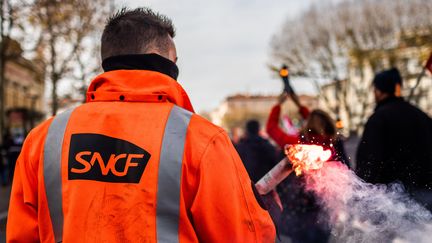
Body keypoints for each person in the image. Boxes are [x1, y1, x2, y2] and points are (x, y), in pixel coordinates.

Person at [7, 8, 276, 242]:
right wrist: (257, 209)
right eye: (175, 60)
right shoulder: (202, 140)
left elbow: (21, 235)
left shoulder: (44, 139)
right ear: (162, 61)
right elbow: (245, 236)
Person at [265, 92, 349, 243]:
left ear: (308, 124)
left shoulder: (297, 143)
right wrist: (301, 107)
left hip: (300, 211)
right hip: (325, 208)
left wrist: (278, 105)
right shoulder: (335, 142)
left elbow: (271, 129)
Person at [356, 68, 432, 209]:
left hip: (393, 201)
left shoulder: (379, 119)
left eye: (375, 89)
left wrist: (362, 194)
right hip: (426, 195)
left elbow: (369, 161)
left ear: (379, 91)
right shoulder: (422, 117)